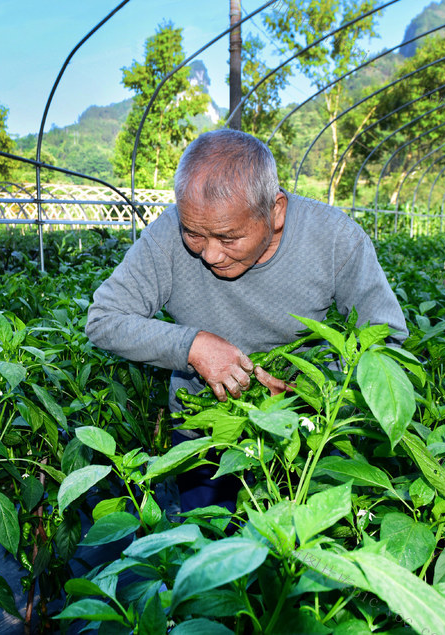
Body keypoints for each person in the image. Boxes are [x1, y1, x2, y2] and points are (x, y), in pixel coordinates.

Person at [85, 129, 407, 508]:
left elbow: (386, 338)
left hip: (302, 437)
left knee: (296, 552)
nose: (209, 255)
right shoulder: (168, 237)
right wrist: (193, 346)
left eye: (228, 237)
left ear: (276, 210)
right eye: (194, 234)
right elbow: (104, 319)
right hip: (205, 435)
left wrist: (306, 385)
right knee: (210, 552)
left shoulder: (335, 239)